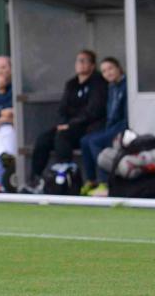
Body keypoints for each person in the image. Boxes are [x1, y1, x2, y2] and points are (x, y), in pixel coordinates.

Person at [23, 49, 107, 192]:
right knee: (43, 139)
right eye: (77, 61)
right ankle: (35, 179)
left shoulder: (98, 83)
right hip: (67, 125)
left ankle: (65, 178)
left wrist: (71, 124)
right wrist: (64, 123)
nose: (79, 64)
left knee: (62, 137)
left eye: (83, 61)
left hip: (86, 127)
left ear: (92, 65)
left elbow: (93, 111)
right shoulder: (71, 84)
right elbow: (63, 108)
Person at [79, 57, 127, 195]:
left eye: (110, 68)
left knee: (96, 141)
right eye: (104, 71)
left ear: (119, 68)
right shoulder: (111, 87)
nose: (108, 73)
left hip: (124, 127)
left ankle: (105, 183)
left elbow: (126, 116)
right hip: (112, 126)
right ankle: (91, 180)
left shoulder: (127, 85)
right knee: (85, 140)